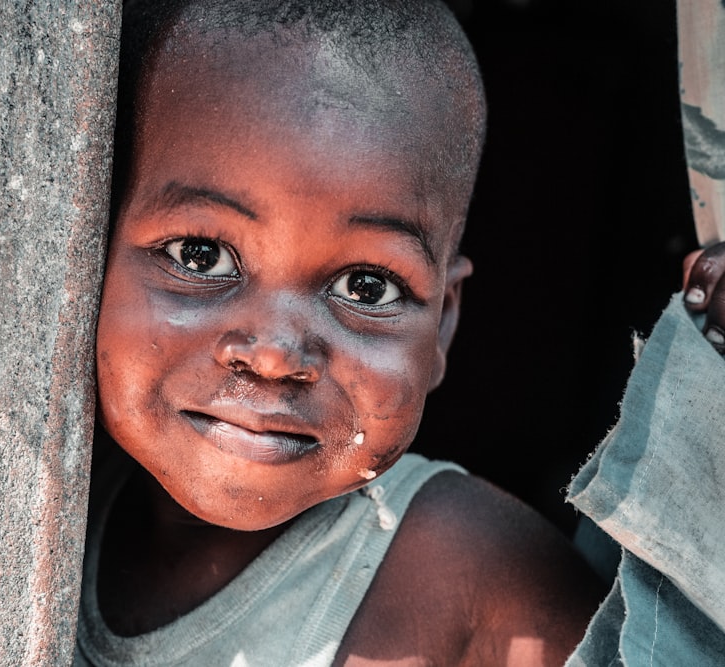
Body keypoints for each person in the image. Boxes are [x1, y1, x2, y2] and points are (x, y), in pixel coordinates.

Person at [73, 1, 725, 664]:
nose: (272, 354)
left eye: (365, 287)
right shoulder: (43, 482)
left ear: (443, 320)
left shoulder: (467, 575)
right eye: (200, 255)